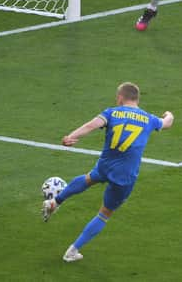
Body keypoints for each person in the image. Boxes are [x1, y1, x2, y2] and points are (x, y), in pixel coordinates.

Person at [42, 82, 174, 262]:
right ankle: (72, 251)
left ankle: (55, 202)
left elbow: (91, 125)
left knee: (88, 178)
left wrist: (71, 136)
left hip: (106, 165)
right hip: (124, 176)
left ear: (121, 97)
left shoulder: (112, 112)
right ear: (137, 98)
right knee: (104, 213)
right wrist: (169, 114)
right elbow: (167, 123)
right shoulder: (149, 119)